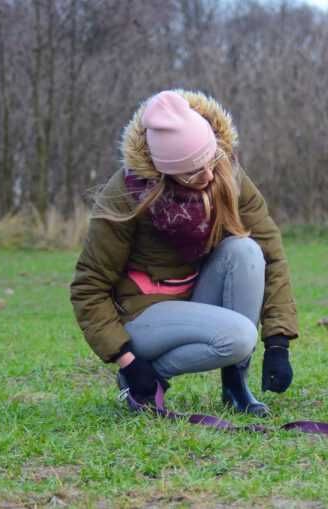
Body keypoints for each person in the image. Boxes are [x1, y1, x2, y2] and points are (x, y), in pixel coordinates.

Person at [70, 90, 298, 417]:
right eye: (192, 173)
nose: (207, 176)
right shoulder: (126, 194)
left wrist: (278, 342)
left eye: (209, 161)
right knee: (239, 336)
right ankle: (147, 376)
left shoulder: (225, 171)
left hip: (196, 294)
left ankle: (235, 385)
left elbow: (271, 254)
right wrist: (128, 360)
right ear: (164, 173)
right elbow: (88, 288)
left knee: (246, 250)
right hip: (143, 314)